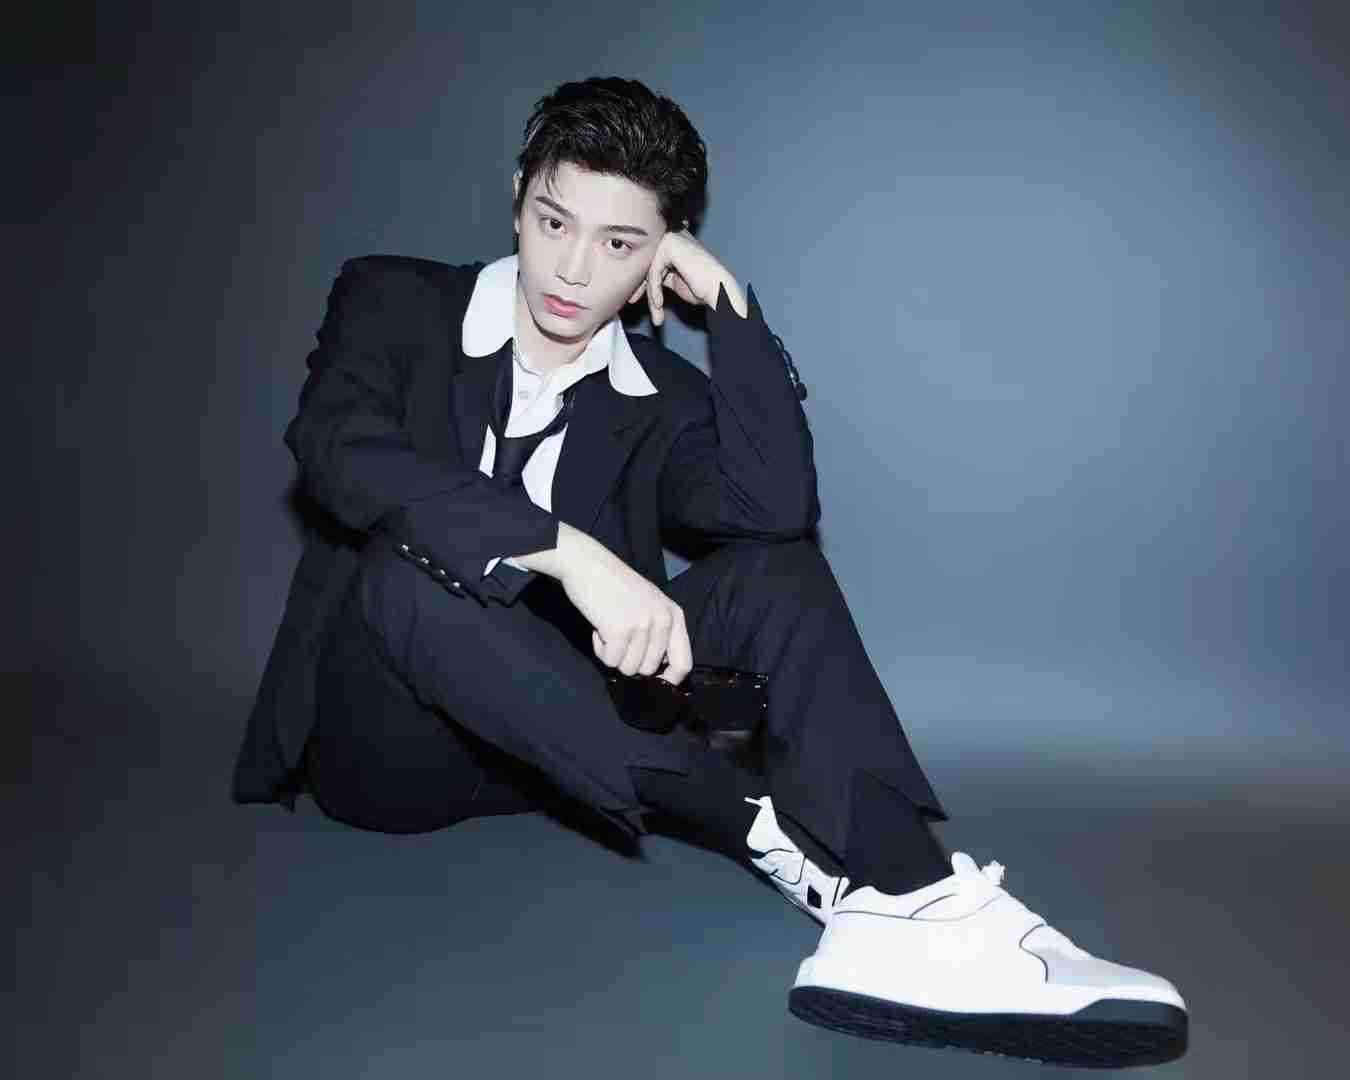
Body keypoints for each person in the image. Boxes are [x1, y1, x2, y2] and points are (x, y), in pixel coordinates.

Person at [232, 76, 1187, 1067]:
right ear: (517, 195)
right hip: (391, 749)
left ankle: (913, 896)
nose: (571, 269)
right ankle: (763, 831)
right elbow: (338, 449)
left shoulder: (657, 391)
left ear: (662, 249)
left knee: (776, 572)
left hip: (560, 734)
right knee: (409, 566)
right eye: (555, 221)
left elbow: (774, 511)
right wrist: (567, 552)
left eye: (619, 243)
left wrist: (729, 310)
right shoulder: (395, 299)